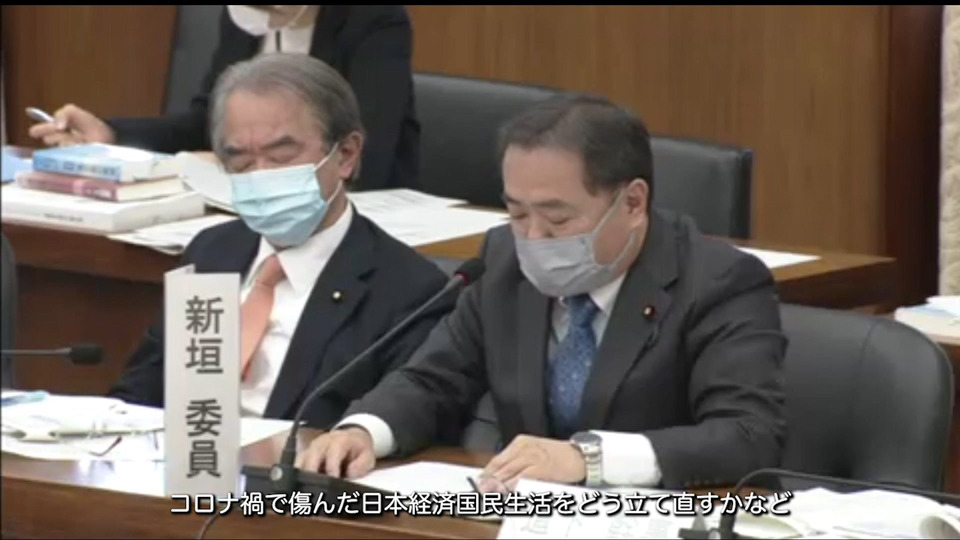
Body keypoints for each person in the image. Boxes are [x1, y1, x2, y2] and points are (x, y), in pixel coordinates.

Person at [296, 94, 787, 490]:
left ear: (633, 203)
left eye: (557, 219)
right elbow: (433, 379)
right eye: (516, 213)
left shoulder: (719, 282)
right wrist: (365, 430)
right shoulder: (503, 262)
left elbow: (748, 434)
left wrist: (586, 458)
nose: (532, 238)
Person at [108, 53, 452, 428]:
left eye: (282, 156)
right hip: (192, 459)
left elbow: (398, 418)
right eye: (241, 162)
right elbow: (143, 393)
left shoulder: (409, 291)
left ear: (346, 155)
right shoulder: (212, 252)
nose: (261, 176)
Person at [27, 5, 418, 191]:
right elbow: (207, 122)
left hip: (353, 207)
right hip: (247, 206)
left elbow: (365, 150)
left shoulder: (375, 19)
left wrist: (234, 165)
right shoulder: (245, 18)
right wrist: (111, 134)